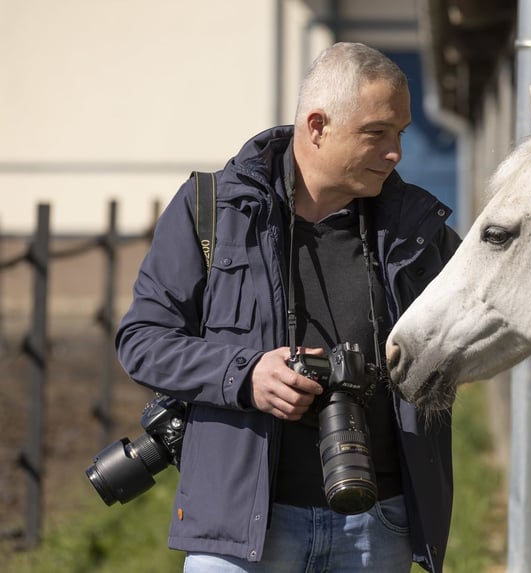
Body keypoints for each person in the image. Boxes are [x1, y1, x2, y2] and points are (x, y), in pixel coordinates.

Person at [115, 42, 460, 572]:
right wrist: (246, 374)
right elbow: (142, 341)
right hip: (239, 528)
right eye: (377, 133)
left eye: (400, 134)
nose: (396, 153)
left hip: (378, 525)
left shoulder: (417, 228)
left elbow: (488, 306)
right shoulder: (212, 210)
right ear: (317, 126)